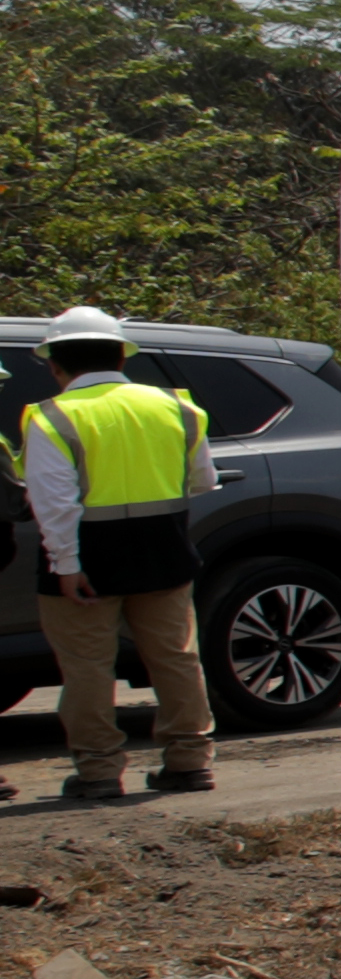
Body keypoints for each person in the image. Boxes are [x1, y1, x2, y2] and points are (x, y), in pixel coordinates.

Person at [14, 304, 220, 805]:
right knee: (176, 659)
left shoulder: (52, 416)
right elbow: (202, 481)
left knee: (88, 667)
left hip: (87, 560)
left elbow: (54, 503)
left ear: (54, 364)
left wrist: (66, 565)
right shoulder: (176, 407)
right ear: (123, 356)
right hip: (165, 550)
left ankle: (99, 771)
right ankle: (189, 761)